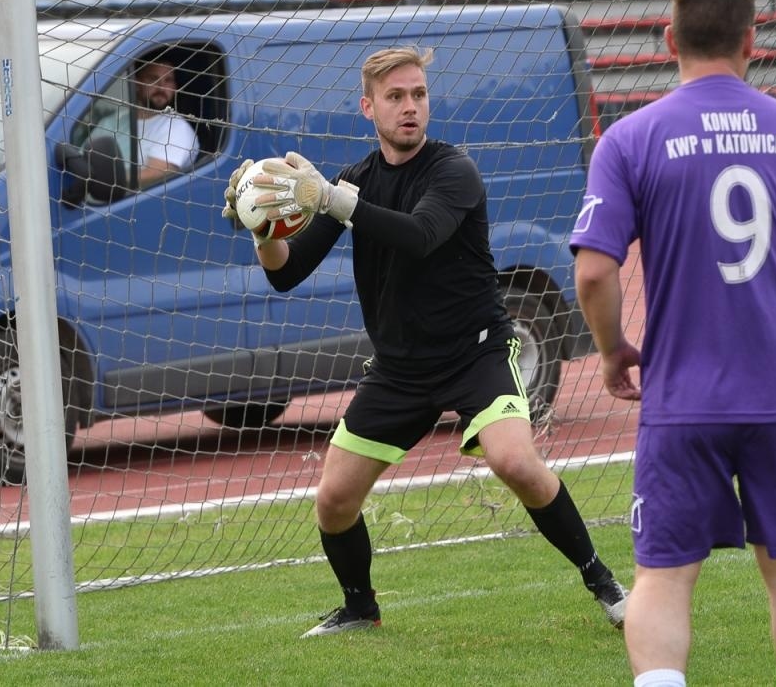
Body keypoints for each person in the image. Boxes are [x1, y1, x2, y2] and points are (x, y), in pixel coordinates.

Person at [222, 46, 628, 638]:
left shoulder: (452, 170)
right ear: (369, 108)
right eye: (395, 97)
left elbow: (419, 236)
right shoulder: (355, 182)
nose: (410, 107)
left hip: (477, 351)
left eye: (418, 94)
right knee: (334, 500)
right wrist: (262, 227)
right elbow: (285, 274)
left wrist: (333, 200)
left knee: (515, 461)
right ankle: (360, 608)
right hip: (398, 369)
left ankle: (606, 584)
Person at [571, 0, 776, 687]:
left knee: (663, 575)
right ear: (750, 41)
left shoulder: (632, 139)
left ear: (668, 37)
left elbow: (594, 271)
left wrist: (612, 352)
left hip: (684, 396)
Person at [133, 58, 199, 186]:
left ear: (175, 87)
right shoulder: (114, 120)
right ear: (137, 84)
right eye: (153, 78)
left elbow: (152, 176)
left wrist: (104, 180)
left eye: (168, 81)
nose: (161, 87)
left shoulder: (178, 128)